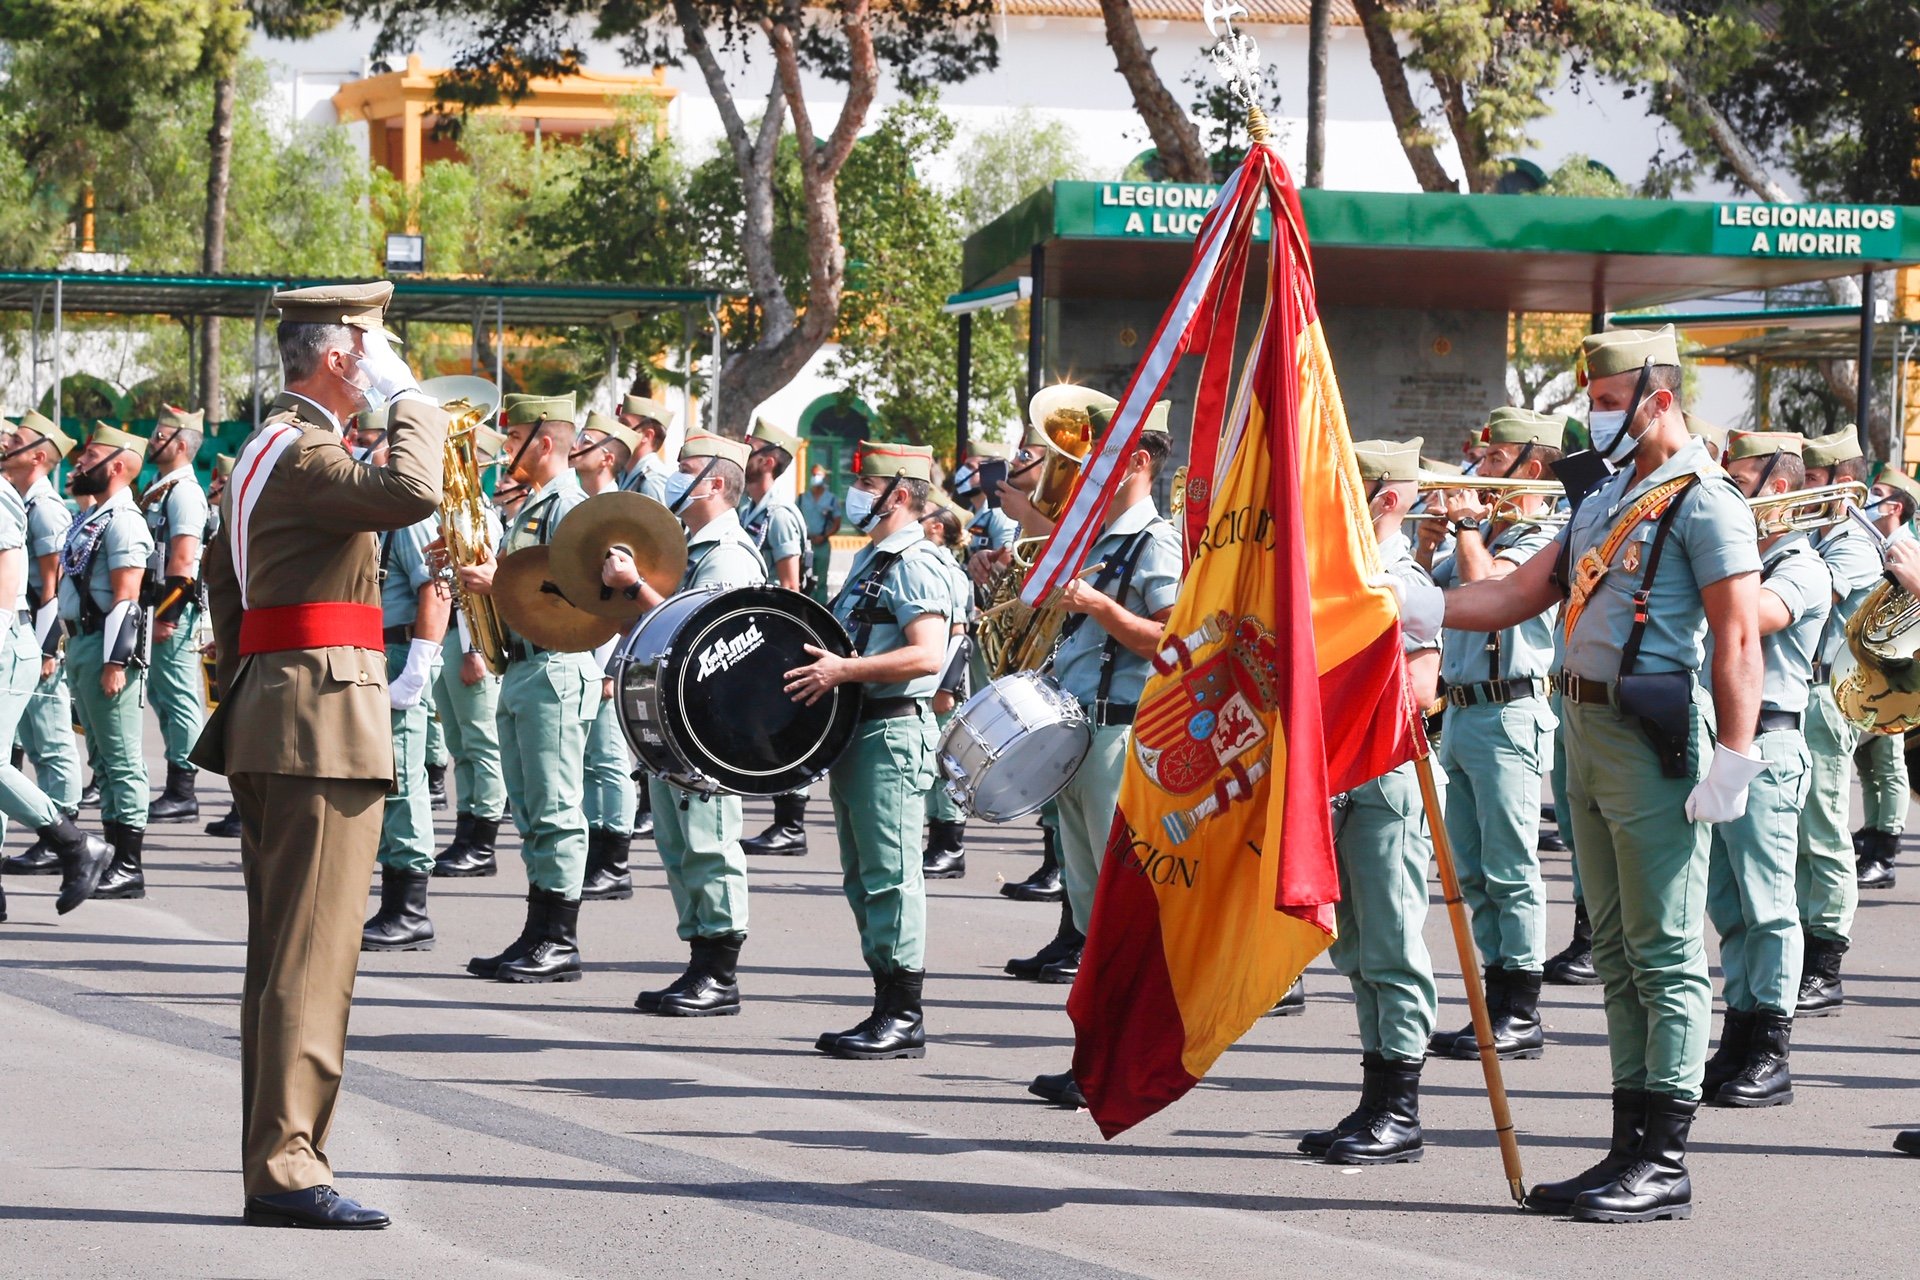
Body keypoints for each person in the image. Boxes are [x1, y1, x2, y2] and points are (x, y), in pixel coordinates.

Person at [1411, 325, 1763, 1224]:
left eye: (1609, 404)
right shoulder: (1608, 497)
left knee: (1666, 950)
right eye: (1592, 403)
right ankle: (1626, 1145)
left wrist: (1735, 755)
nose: (1595, 419)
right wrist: (1414, 602)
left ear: (1658, 398)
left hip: (1651, 735)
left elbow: (1735, 639)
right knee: (1612, 949)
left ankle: (1667, 1158)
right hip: (1582, 725)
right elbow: (1522, 591)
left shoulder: (1706, 500)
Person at [195, 279, 445, 1229]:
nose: (382, 360)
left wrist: (261, 684)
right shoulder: (305, 451)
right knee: (311, 959)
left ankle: (277, 1155)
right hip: (320, 726)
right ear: (342, 357)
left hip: (277, 708)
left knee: (280, 958)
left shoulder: (259, 451)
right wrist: (409, 394)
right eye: (373, 346)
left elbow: (228, 587)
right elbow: (413, 488)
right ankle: (288, 1167)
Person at [1026, 403, 1180, 1110]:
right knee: (1089, 907)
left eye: (1101, 456)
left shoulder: (1155, 543)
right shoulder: (1099, 538)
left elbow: (1172, 642)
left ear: (1139, 462)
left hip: (1121, 731)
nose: (1082, 472)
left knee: (1119, 908)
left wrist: (1096, 606)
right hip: (1077, 730)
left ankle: (1122, 1059)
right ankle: (1094, 1057)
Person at [1296, 437, 1441, 1166]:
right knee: (1354, 947)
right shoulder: (1329, 575)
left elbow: (1419, 692)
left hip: (1384, 779)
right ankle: (1374, 1092)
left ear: (1385, 499)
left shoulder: (1402, 582)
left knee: (1390, 944)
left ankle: (1400, 1107)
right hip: (1334, 776)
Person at [785, 441, 953, 1060]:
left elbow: (928, 654)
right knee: (865, 877)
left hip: (892, 730)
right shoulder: (876, 559)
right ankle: (886, 1000)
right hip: (862, 731)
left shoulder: (913, 562)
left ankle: (903, 1013)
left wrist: (844, 671)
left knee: (891, 876)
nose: (857, 493)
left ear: (899, 495)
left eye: (868, 484)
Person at [603, 432, 767, 1015]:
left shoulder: (727, 554)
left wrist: (636, 587)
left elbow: (706, 636)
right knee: (679, 845)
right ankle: (699, 960)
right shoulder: (693, 547)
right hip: (678, 719)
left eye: (687, 469)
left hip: (711, 724)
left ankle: (719, 974)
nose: (676, 477)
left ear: (715, 484)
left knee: (709, 843)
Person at [1694, 432, 1827, 1109]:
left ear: (1780, 487)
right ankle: (1740, 1033)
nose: (1726, 486)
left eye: (1739, 477)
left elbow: (1751, 618)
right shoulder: (1743, 557)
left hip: (1770, 744)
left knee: (1770, 904)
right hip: (1721, 739)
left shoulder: (1802, 563)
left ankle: (1772, 1049)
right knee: (1731, 904)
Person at [1424, 408, 1562, 1061]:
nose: (1478, 471)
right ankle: (1494, 995)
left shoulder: (1547, 533)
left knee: (1511, 867)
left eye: (1494, 459)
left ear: (1530, 469)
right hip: (1462, 710)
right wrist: (1426, 540)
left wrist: (1469, 527)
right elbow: (1425, 602)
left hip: (1509, 710)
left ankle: (1522, 1009)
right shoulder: (1475, 535)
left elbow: (1491, 591)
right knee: (1473, 869)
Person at [459, 392, 598, 985]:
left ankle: (558, 938)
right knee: (532, 807)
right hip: (525, 666)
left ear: (545, 441)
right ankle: (538, 929)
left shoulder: (571, 507)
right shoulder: (536, 506)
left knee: (557, 808)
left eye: (513, 437)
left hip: (557, 665)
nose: (506, 448)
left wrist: (501, 580)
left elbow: (585, 595)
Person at [349, 406, 451, 953]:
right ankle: (392, 899)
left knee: (402, 777)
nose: (360, 457)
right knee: (377, 775)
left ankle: (409, 908)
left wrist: (416, 669)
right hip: (370, 646)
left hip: (397, 648)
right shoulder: (374, 508)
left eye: (368, 447)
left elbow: (435, 588)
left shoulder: (407, 515)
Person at [1795, 427, 1879, 1014]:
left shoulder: (1852, 543)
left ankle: (1826, 962)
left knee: (1822, 833)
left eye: (1813, 480)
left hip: (1827, 693)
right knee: (1793, 834)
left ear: (1842, 484)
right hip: (1793, 692)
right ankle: (1802, 947)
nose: (1800, 490)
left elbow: (1812, 596)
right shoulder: (1809, 532)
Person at [61, 424, 156, 900]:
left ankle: (128, 865)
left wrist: (116, 662)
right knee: (101, 756)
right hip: (83, 645)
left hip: (106, 649)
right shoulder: (96, 515)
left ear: (117, 466)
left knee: (121, 759)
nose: (80, 462)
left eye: (91, 456)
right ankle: (114, 857)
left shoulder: (124, 521)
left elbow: (127, 598)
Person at [0, 412, 85, 876]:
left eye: (18, 437)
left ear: (37, 456)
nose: (7, 440)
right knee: (16, 749)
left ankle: (67, 838)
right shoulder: (20, 498)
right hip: (20, 629)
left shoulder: (45, 507)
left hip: (25, 632)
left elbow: (49, 585)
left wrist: (50, 646)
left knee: (51, 742)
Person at [432, 423, 510, 878]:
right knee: (461, 743)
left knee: (482, 744)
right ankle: (466, 833)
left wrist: (474, 650)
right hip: (452, 640)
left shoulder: (480, 515)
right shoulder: (456, 512)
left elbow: (479, 594)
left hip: (471, 642)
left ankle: (483, 841)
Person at [738, 416, 815, 859]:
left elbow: (790, 586)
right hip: (756, 627)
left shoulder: (779, 514)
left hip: (779, 632)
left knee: (784, 726)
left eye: (750, 448)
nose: (743, 453)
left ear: (767, 460)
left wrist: (776, 640)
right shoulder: (751, 509)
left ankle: (791, 824)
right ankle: (784, 820)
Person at [571, 410, 640, 900]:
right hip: (583, 641)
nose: (577, 445)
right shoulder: (580, 506)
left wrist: (611, 666)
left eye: (588, 441)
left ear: (608, 457)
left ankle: (615, 862)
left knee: (612, 757)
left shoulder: (626, 512)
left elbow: (636, 596)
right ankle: (597, 851)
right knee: (593, 759)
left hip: (614, 649)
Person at [139, 405, 210, 824]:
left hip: (173, 614)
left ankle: (183, 790)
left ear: (180, 445)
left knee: (179, 699)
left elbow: (183, 561)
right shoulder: (160, 486)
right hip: (158, 609)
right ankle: (176, 786)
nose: (152, 441)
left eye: (159, 435)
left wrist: (166, 617)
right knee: (163, 698)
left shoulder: (183, 493)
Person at [1852, 466, 1920, 889]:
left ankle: (1885, 848)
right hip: (1875, 671)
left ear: (1895, 506)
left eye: (1875, 493)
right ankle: (1876, 837)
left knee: (1893, 762)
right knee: (1875, 762)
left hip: (1901, 674)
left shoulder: (1909, 550)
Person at [916, 496, 976, 880]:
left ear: (937, 525)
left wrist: (946, 689)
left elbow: (959, 636)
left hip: (945, 684)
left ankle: (951, 847)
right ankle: (938, 843)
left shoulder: (948, 571)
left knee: (947, 767)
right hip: (935, 682)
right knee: (934, 764)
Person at [615, 393, 674, 503]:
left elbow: (661, 520)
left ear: (647, 436)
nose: (618, 430)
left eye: (625, 424)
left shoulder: (652, 481)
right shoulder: (624, 473)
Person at [798, 460, 841, 604]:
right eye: (814, 474)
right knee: (806, 576)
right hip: (807, 545)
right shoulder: (802, 498)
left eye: (819, 475)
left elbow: (837, 522)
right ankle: (807, 606)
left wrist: (824, 536)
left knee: (821, 579)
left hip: (822, 545)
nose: (815, 477)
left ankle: (822, 607)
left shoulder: (831, 499)